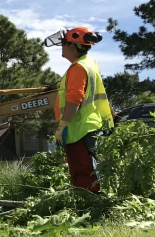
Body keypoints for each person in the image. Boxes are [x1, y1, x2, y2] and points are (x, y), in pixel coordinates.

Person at [43, 27, 114, 193]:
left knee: (84, 174)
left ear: (73, 47)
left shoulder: (77, 68)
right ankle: (96, 206)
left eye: (64, 44)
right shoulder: (90, 64)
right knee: (93, 171)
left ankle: (90, 209)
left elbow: (74, 100)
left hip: (79, 129)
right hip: (91, 125)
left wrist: (62, 126)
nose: (62, 47)